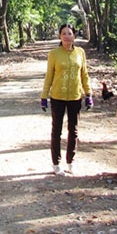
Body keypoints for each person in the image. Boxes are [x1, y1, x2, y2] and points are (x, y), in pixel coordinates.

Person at [40, 23, 92, 176]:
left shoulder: (80, 53)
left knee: (73, 131)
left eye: (69, 33)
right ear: (60, 36)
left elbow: (84, 74)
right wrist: (44, 96)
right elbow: (49, 76)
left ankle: (70, 162)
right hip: (58, 96)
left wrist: (88, 93)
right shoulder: (54, 54)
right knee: (56, 130)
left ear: (74, 35)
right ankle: (56, 163)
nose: (67, 36)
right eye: (64, 33)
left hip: (75, 96)